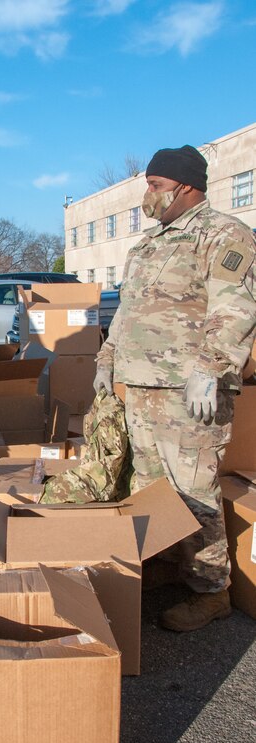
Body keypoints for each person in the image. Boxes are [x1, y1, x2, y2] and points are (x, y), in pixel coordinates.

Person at [94, 144, 256, 631]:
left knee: (194, 489)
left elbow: (236, 307)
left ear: (185, 186)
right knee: (149, 486)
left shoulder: (225, 235)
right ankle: (167, 565)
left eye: (156, 185)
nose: (148, 194)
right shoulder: (148, 245)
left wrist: (211, 367)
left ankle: (211, 591)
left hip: (191, 389)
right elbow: (125, 312)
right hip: (141, 385)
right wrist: (107, 359)